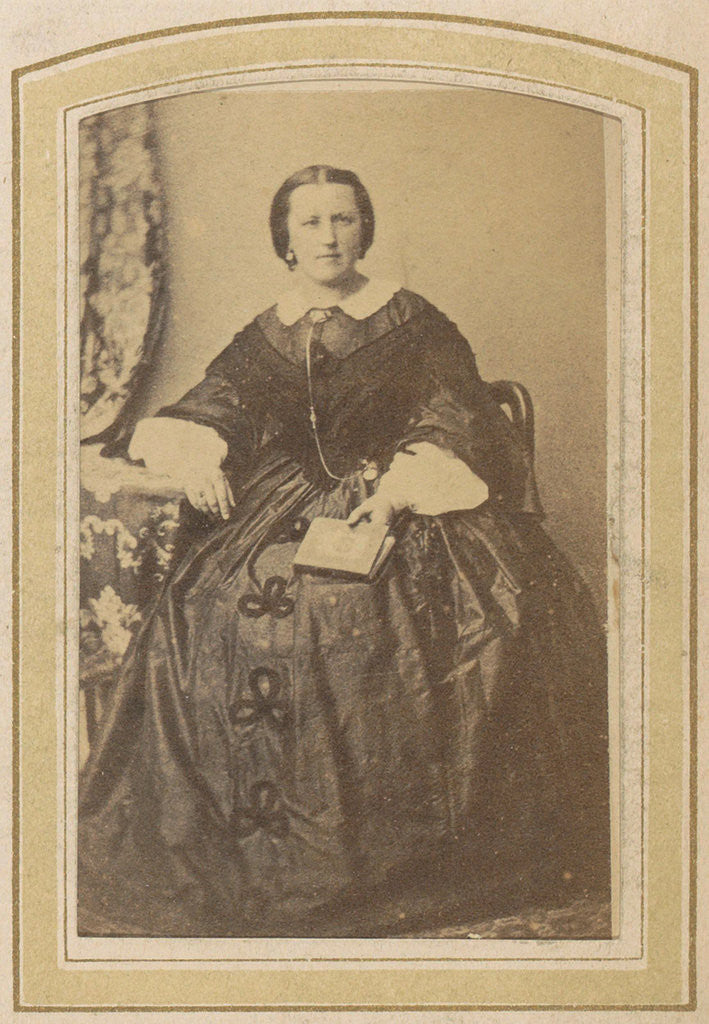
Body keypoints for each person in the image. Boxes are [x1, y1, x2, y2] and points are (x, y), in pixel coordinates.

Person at [78, 165, 610, 938]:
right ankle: (243, 855)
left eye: (343, 220)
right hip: (285, 503)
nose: (328, 237)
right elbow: (218, 401)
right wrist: (199, 454)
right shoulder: (271, 328)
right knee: (206, 605)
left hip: (407, 502)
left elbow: (454, 416)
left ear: (364, 229)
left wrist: (393, 495)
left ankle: (391, 861)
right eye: (310, 224)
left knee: (367, 617)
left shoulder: (409, 320)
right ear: (284, 240)